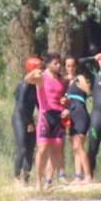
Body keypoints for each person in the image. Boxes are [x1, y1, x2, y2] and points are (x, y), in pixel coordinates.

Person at [26, 53, 68, 189]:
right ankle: (38, 180)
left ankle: (49, 180)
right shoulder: (42, 77)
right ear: (48, 64)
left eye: (59, 63)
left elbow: (64, 96)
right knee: (42, 148)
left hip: (59, 115)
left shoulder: (62, 80)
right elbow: (27, 80)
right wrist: (33, 72)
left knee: (57, 148)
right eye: (55, 63)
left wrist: (65, 102)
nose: (59, 66)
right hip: (45, 115)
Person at [64, 56, 94, 183]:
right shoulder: (65, 82)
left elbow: (88, 90)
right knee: (75, 147)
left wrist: (76, 82)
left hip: (80, 113)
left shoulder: (79, 78)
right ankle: (78, 176)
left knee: (79, 145)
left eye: (73, 66)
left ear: (76, 67)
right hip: (71, 114)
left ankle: (88, 175)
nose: (70, 68)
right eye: (68, 66)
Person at [12, 56, 41, 183]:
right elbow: (21, 106)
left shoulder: (36, 87)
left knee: (30, 149)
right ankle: (16, 178)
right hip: (19, 118)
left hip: (29, 118)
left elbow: (40, 105)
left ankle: (26, 180)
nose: (41, 72)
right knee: (22, 148)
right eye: (39, 69)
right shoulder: (24, 85)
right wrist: (29, 122)